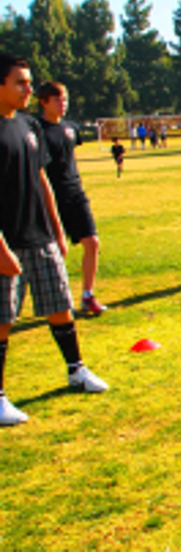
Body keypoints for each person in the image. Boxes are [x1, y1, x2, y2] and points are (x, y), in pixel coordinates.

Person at [0, 53, 109, 426]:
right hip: (6, 240)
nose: (28, 88)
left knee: (59, 302)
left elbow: (41, 178)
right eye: (20, 82)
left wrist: (57, 228)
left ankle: (76, 371)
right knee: (3, 317)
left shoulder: (30, 125)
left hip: (40, 232)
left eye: (29, 82)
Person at [36, 81, 107, 315]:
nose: (62, 104)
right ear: (43, 102)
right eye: (57, 100)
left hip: (75, 193)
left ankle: (88, 295)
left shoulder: (70, 129)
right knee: (57, 250)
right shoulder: (36, 130)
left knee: (92, 242)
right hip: (50, 197)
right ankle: (58, 301)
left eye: (65, 99)